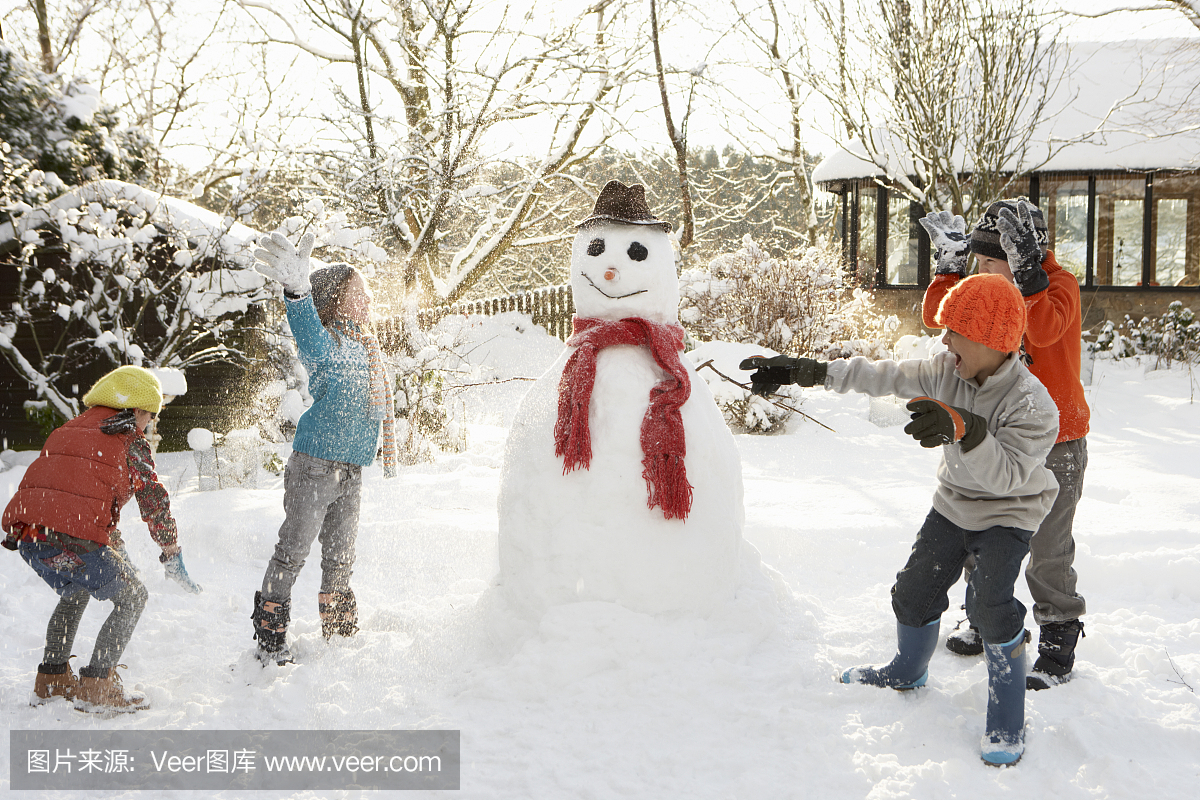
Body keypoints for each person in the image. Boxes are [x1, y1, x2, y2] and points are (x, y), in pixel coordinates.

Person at [742, 272, 1059, 766]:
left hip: (1009, 514)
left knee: (991, 605)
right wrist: (808, 371)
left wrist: (964, 428)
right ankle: (907, 671)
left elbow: (1010, 477)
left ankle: (1007, 716)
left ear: (991, 340)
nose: (945, 339)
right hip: (953, 505)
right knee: (913, 592)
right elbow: (882, 374)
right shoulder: (944, 371)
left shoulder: (1033, 404)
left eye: (955, 330)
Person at [921, 199, 1090, 690]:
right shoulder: (988, 292)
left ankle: (1058, 634)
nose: (986, 273)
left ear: (1026, 255)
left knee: (1049, 546)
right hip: (993, 440)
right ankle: (982, 615)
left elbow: (1043, 327)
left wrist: (1031, 278)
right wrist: (948, 272)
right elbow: (941, 319)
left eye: (994, 261)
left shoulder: (1057, 287)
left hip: (1057, 443)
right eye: (977, 262)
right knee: (981, 529)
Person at [2, 365, 203, 713]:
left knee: (77, 588)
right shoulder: (128, 438)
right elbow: (153, 499)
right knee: (133, 596)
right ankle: (98, 685)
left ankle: (52, 679)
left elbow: (73, 495)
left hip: (30, 534)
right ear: (137, 410)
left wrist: (112, 544)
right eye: (150, 417)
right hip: (72, 533)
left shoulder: (71, 428)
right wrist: (170, 548)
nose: (149, 425)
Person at [249, 232, 396, 666]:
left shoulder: (368, 348)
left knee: (340, 556)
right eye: (359, 291)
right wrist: (297, 294)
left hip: (351, 469)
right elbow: (306, 331)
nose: (368, 298)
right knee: (293, 551)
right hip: (314, 466)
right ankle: (271, 634)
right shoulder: (327, 344)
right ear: (335, 298)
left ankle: (338, 630)